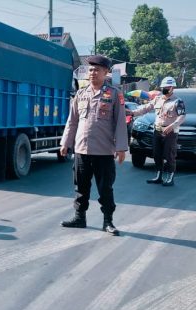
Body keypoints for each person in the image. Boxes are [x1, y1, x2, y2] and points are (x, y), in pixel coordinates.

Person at [59, 55, 128, 236]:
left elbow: (120, 122)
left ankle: (108, 222)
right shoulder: (81, 94)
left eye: (97, 70)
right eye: (90, 69)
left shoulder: (114, 94)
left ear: (106, 73)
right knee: (80, 187)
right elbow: (72, 121)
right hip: (82, 149)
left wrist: (121, 147)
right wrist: (65, 142)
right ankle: (79, 218)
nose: (92, 73)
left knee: (105, 188)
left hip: (104, 151)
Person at [128, 76, 185, 187]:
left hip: (170, 131)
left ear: (172, 88)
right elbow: (146, 108)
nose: (164, 89)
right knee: (157, 154)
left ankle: (170, 177)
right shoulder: (158, 99)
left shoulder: (178, 101)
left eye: (166, 87)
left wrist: (173, 126)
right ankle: (159, 175)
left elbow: (182, 116)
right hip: (157, 130)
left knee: (169, 155)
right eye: (163, 87)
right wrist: (132, 112)